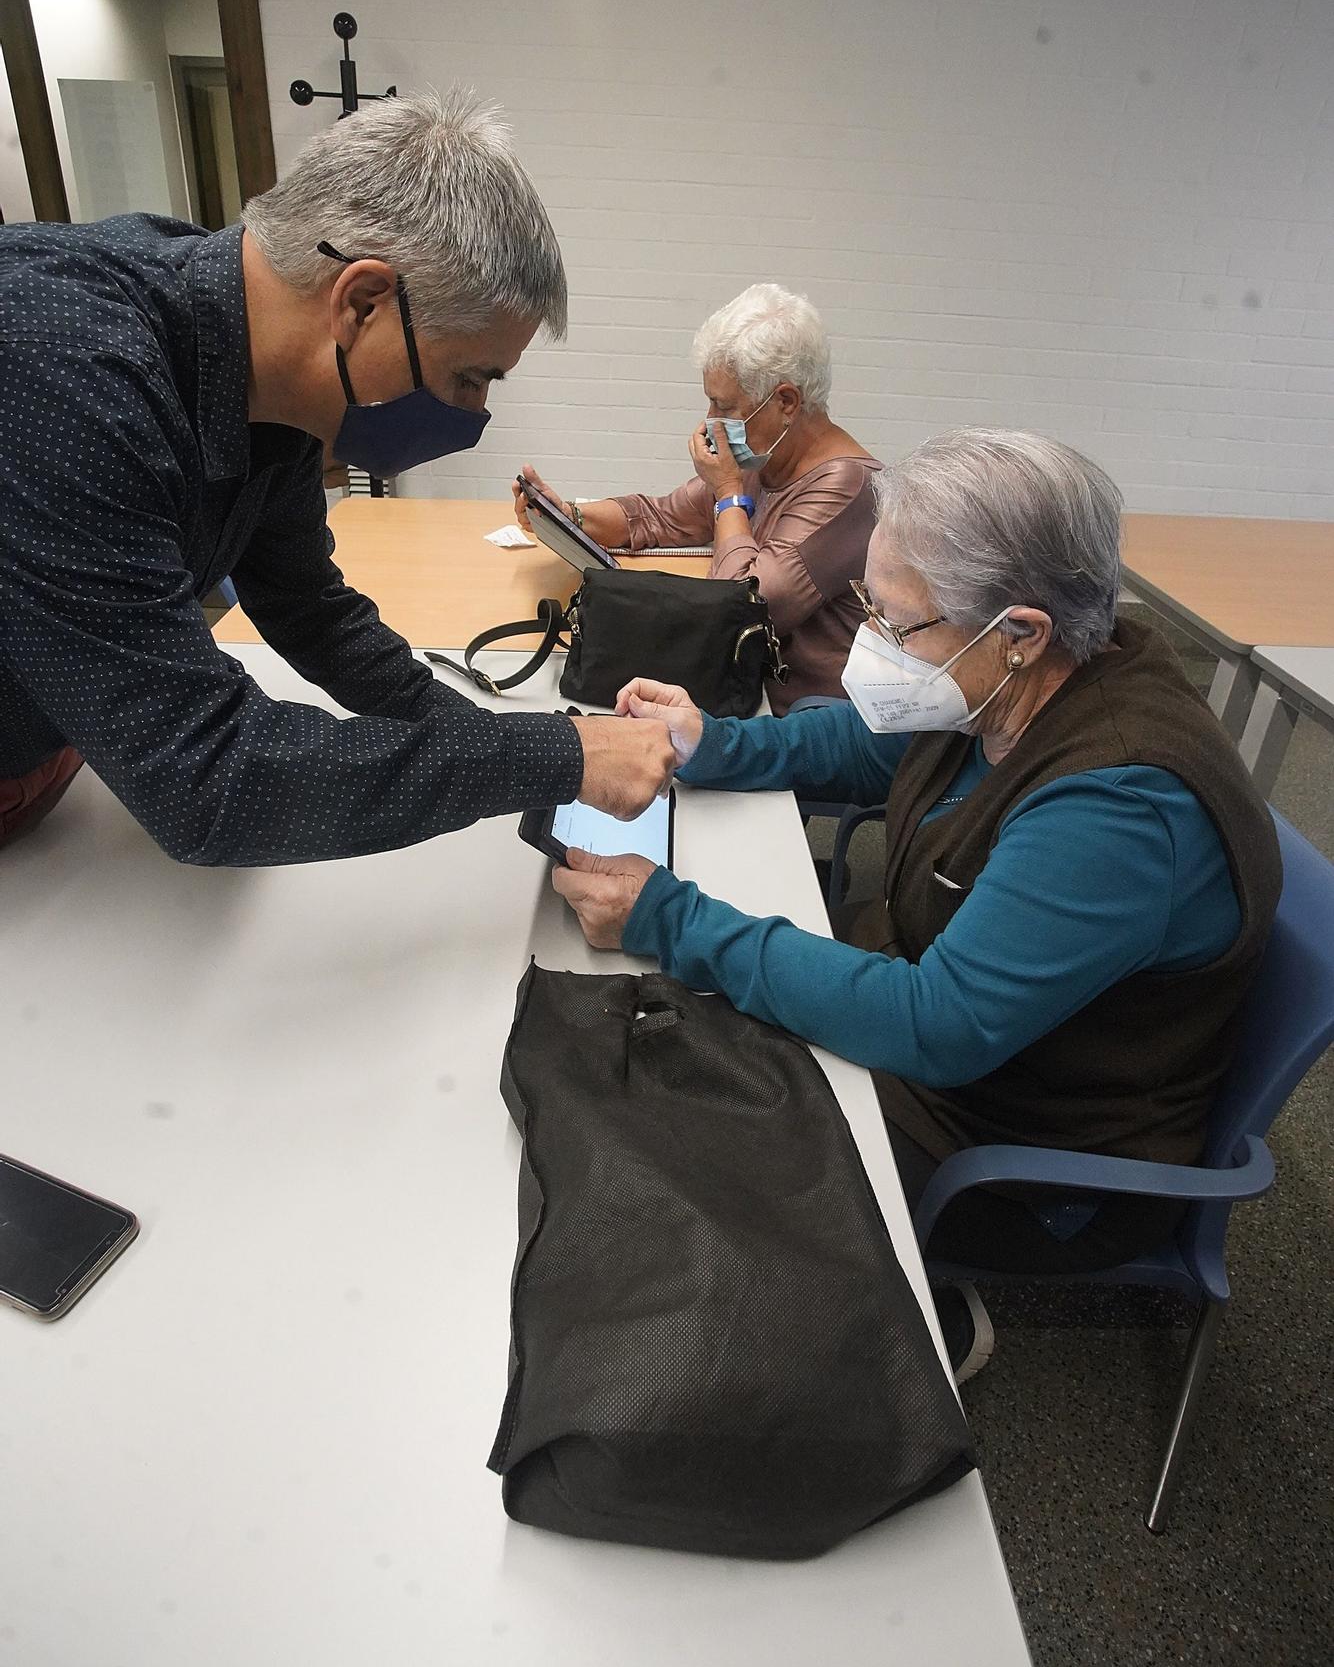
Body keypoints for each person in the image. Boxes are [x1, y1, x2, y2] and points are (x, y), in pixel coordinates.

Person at [550, 427, 1283, 1379]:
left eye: (898, 625)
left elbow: (938, 1026)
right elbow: (867, 747)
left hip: (1021, 1140)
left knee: (675, 1123)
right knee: (665, 1051)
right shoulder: (1017, 682)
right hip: (946, 1026)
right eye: (873, 610)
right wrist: (710, 744)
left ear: (1020, 632)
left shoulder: (1120, 809)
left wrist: (672, 919)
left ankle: (908, 1315)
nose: (873, 647)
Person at [0, 90, 673, 858]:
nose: (472, 413)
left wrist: (504, 749)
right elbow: (207, 779)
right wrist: (552, 756)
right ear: (361, 302)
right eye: (469, 378)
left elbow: (309, 610)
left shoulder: (266, 366)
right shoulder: (66, 373)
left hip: (59, 741)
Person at [513, 284, 879, 712]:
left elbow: (736, 608)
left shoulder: (849, 487)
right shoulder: (766, 459)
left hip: (803, 717)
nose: (711, 421)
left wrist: (727, 493)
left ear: (786, 402)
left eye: (724, 405)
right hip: (748, 688)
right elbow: (657, 517)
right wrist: (570, 515)